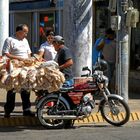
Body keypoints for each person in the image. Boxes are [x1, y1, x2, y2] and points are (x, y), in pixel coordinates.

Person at [2, 24, 35, 118]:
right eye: (25, 32)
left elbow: (28, 53)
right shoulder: (10, 40)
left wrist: (29, 60)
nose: (26, 34)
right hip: (14, 67)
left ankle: (26, 110)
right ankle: (8, 110)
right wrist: (19, 58)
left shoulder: (25, 40)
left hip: (25, 67)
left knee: (26, 88)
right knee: (12, 89)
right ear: (19, 31)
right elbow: (5, 53)